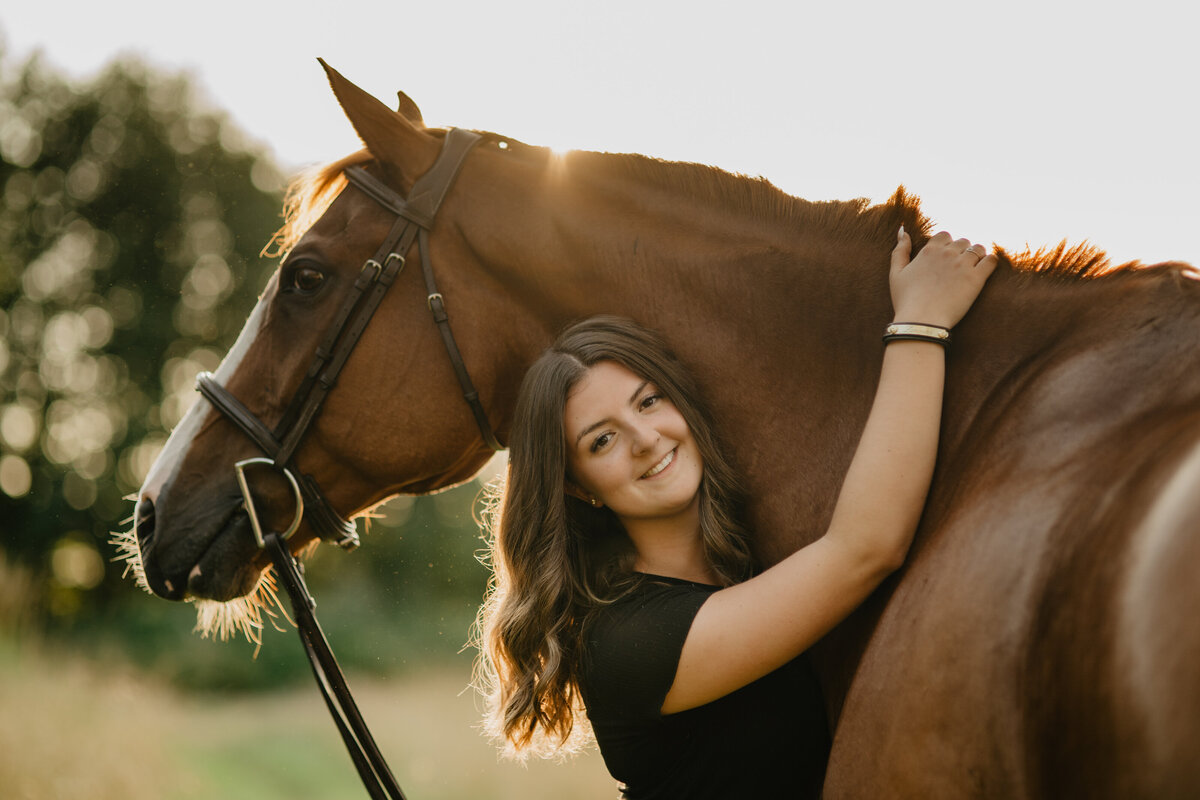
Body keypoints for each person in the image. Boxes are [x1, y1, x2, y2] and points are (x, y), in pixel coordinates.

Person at [473, 228, 998, 798]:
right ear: (579, 489)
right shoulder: (628, 640)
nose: (646, 439)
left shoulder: (746, 567)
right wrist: (921, 322)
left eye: (649, 401)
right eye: (603, 441)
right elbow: (864, 549)